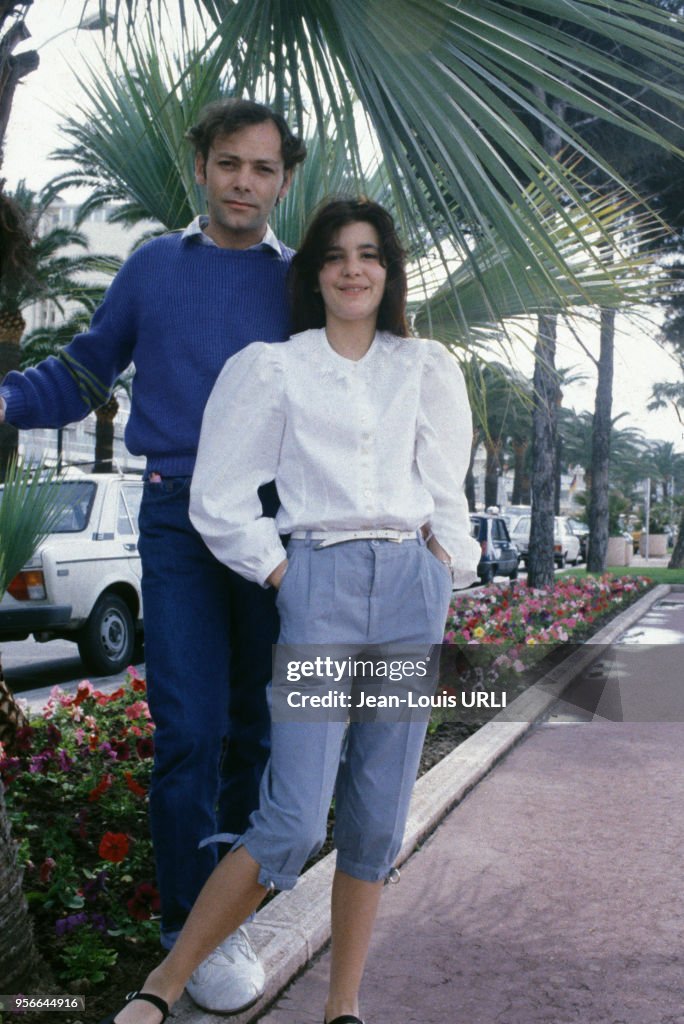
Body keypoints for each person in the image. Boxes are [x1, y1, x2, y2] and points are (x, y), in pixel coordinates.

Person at [99, 197, 480, 1024]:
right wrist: (284, 576)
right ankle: (164, 984)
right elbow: (220, 496)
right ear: (312, 273)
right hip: (323, 587)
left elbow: (447, 486)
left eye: (370, 253)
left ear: (389, 269)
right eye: (338, 254)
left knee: (378, 819)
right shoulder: (276, 366)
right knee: (295, 819)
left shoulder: (424, 366)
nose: (354, 268)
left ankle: (343, 1006)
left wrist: (446, 569)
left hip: (411, 593)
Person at [0, 98, 306, 1014]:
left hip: (271, 529)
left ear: (284, 180)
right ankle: (187, 930)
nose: (243, 182)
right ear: (201, 171)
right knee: (188, 733)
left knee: (255, 730)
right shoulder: (151, 270)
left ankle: (229, 916)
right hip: (176, 522)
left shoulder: (300, 284)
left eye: (261, 168)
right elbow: (86, 369)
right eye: (227, 164)